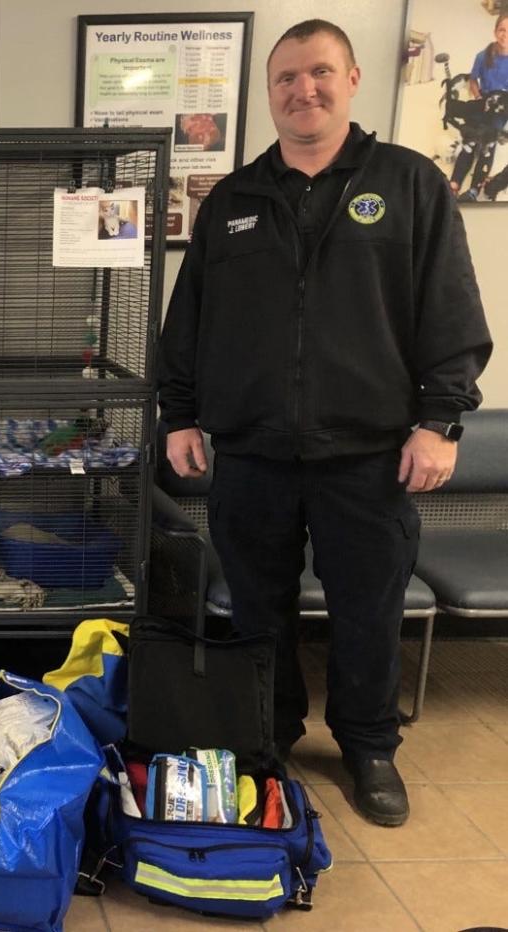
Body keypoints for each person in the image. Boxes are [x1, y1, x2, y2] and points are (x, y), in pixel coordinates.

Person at [159, 21, 491, 828]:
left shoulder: (410, 185)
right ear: (268, 93)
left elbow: (450, 315)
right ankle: (266, 736)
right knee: (258, 609)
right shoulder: (233, 199)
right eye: (285, 79)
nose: (302, 91)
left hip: (370, 456)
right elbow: (190, 321)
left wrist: (439, 421)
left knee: (368, 610)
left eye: (319, 74)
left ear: (350, 79)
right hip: (252, 454)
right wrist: (180, 415)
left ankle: (368, 746)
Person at [455, 14, 508, 200]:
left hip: (503, 105)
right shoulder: (482, 56)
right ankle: (454, 182)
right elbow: (473, 80)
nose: (505, 34)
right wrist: (478, 97)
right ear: (495, 32)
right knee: (470, 137)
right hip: (483, 100)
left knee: (489, 140)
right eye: (502, 29)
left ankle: (474, 188)